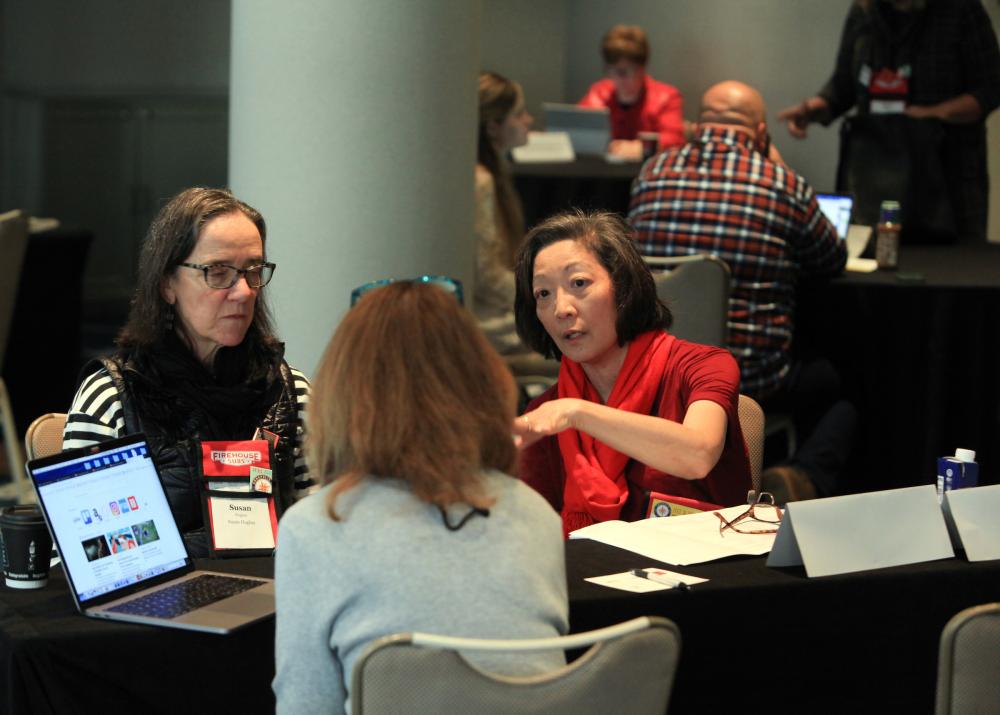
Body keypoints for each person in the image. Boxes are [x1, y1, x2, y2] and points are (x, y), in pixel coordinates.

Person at [273, 281, 568, 714]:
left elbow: (307, 706)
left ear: (345, 391)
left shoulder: (316, 527)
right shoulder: (535, 514)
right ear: (480, 379)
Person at [629, 80, 856, 504]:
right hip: (749, 376)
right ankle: (799, 476)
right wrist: (782, 168)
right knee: (846, 387)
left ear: (698, 126)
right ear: (761, 134)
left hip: (659, 371)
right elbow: (831, 259)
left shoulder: (650, 173)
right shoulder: (782, 184)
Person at [63, 187, 311, 555]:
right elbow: (84, 553)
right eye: (218, 272)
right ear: (166, 284)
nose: (243, 292)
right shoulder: (113, 397)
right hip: (160, 603)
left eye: (253, 271)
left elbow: (325, 534)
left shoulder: (291, 391)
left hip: (275, 600)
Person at [512, 210, 752, 534]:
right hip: (591, 576)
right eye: (543, 293)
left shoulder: (701, 366)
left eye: (578, 283)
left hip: (705, 575)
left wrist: (579, 414)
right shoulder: (548, 412)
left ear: (623, 287)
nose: (561, 309)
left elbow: (698, 453)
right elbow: (531, 532)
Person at [777, 0, 1000, 243]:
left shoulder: (962, 9)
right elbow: (843, 87)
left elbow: (990, 89)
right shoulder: (863, 11)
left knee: (952, 266)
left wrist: (932, 114)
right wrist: (813, 109)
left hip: (948, 177)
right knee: (876, 259)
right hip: (876, 173)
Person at [578, 25, 686, 160]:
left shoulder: (667, 97)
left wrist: (642, 147)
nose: (615, 78)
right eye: (610, 70)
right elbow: (578, 129)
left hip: (646, 173)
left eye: (623, 72)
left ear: (642, 68)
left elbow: (675, 140)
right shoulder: (598, 93)